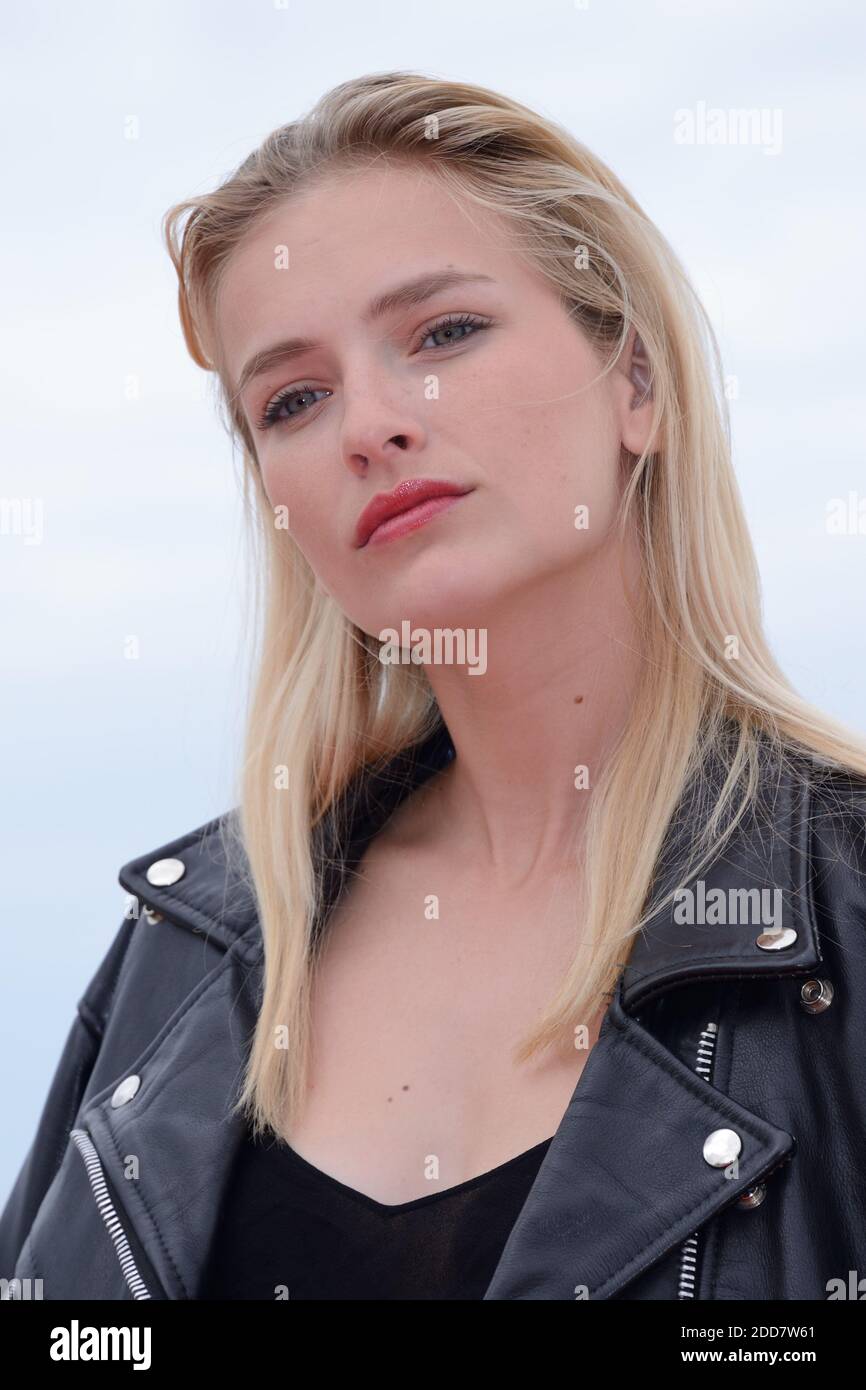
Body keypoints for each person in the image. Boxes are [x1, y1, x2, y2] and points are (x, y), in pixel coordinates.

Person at [2, 71, 866, 1303]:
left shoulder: (843, 909)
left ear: (637, 385)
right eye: (291, 399)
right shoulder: (182, 957)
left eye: (441, 333)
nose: (367, 423)